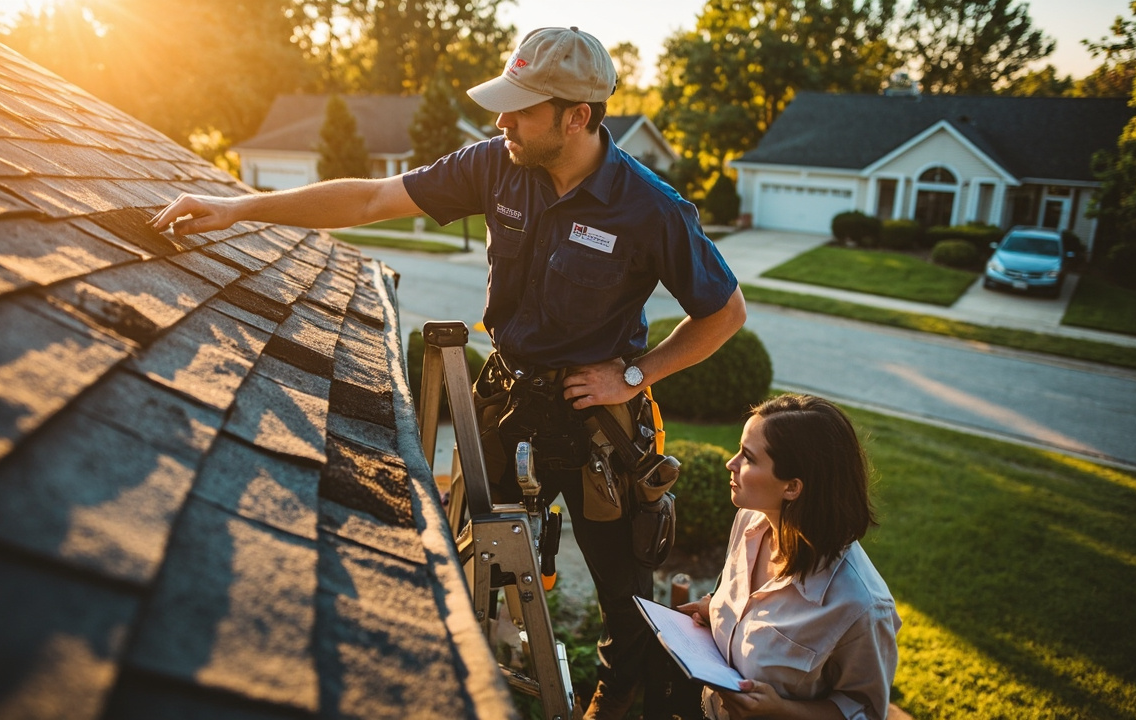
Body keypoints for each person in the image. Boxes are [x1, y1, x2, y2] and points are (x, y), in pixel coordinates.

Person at [150, 26, 746, 719]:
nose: (502, 122)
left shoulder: (650, 208)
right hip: (507, 407)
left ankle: (612, 702)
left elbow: (724, 313)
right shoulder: (497, 166)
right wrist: (236, 209)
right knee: (465, 565)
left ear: (576, 116)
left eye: (520, 109)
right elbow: (371, 200)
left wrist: (635, 377)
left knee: (627, 598)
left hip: (598, 435)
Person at [676, 394, 900, 720]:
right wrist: (717, 610)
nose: (731, 463)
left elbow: (864, 711)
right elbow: (756, 618)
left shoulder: (861, 606)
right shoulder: (751, 520)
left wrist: (781, 711)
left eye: (748, 458)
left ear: (792, 487)